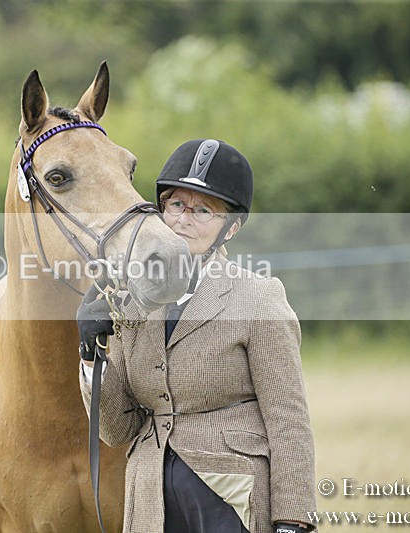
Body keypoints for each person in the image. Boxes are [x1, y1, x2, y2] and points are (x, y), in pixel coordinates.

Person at [78, 139, 317, 533]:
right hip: (150, 498)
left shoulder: (259, 298)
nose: (183, 220)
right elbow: (115, 431)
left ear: (232, 227)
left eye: (203, 210)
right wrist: (90, 353)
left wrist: (293, 520)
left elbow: (289, 421)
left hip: (229, 495)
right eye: (175, 205)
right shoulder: (130, 300)